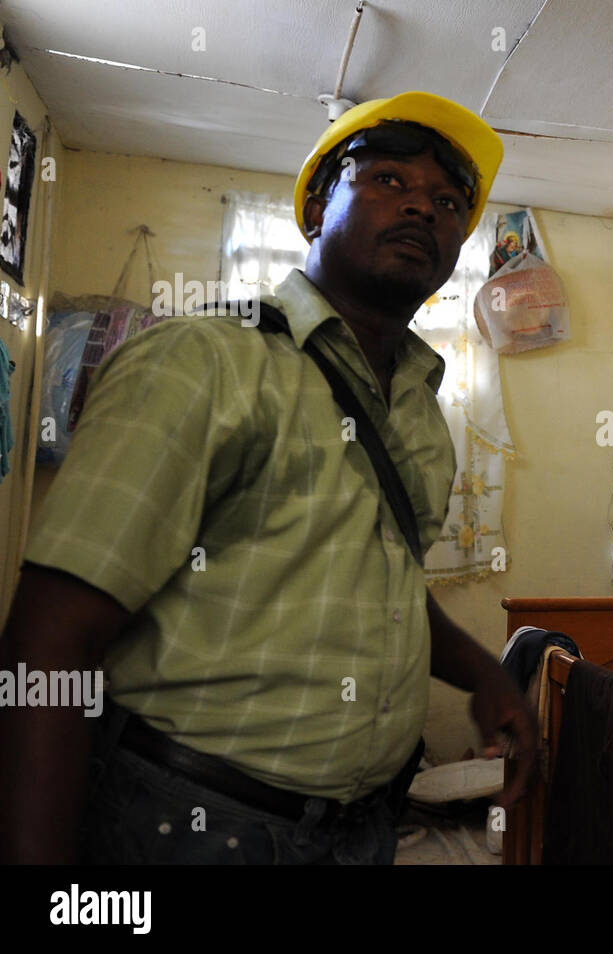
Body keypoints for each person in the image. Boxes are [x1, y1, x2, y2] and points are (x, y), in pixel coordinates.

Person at [0, 91, 538, 864]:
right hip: (185, 826)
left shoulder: (421, 411)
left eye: (448, 201)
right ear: (317, 211)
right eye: (387, 181)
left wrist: (484, 671)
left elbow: (380, 580)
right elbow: (48, 642)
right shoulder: (203, 362)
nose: (423, 206)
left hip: (362, 833)